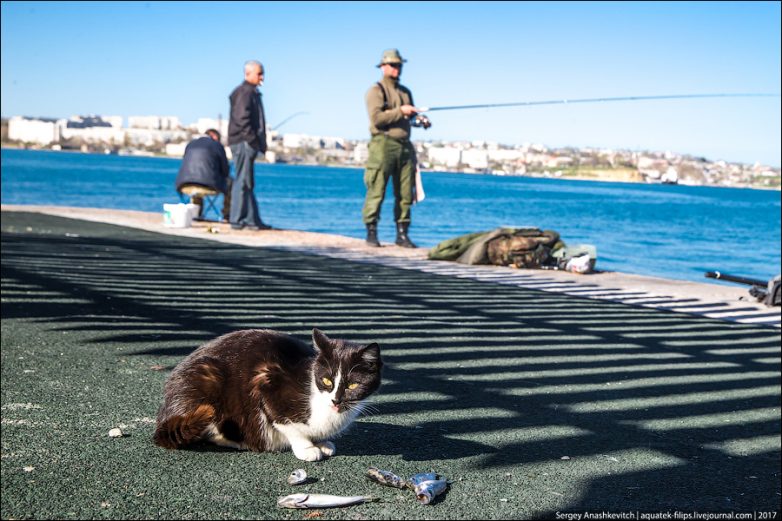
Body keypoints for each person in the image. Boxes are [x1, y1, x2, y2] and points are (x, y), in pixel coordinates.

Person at [361, 48, 430, 248]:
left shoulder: (406, 92)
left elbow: (411, 117)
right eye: (393, 65)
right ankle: (371, 231)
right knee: (377, 188)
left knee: (405, 192)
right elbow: (377, 119)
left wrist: (421, 120)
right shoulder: (376, 90)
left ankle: (402, 233)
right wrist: (400, 111)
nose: (397, 69)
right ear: (383, 67)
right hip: (383, 144)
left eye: (399, 65)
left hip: (404, 146)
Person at [228, 59, 270, 230]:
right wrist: (252, 139)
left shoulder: (250, 92)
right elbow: (241, 119)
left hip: (245, 141)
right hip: (243, 142)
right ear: (248, 73)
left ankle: (252, 219)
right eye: (259, 73)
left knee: (247, 181)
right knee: (243, 181)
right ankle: (237, 219)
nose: (262, 77)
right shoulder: (245, 92)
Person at [175, 129, 232, 222]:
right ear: (215, 137)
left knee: (197, 181)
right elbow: (225, 171)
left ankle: (196, 213)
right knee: (231, 183)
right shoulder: (217, 145)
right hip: (208, 186)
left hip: (184, 185)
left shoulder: (190, 144)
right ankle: (227, 215)